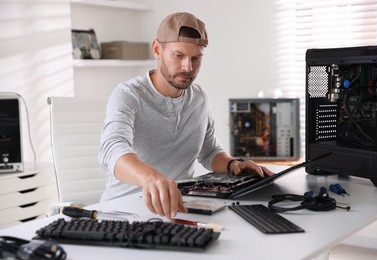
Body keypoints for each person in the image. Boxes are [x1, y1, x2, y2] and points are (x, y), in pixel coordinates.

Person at [99, 12, 272, 219]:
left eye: (196, 58)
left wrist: (232, 164)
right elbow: (111, 150)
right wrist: (151, 178)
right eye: (178, 56)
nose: (188, 67)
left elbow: (209, 152)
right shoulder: (128, 94)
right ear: (157, 49)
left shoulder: (199, 98)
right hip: (125, 211)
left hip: (181, 209)